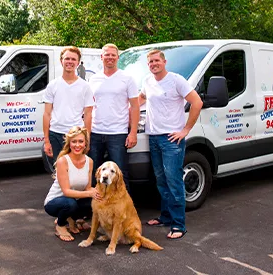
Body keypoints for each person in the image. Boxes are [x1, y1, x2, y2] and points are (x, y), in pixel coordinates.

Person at [139, 49, 203, 239]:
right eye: (150, 62)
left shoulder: (176, 80)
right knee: (161, 181)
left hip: (171, 139)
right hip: (154, 136)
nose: (153, 64)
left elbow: (197, 102)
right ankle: (165, 217)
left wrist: (185, 130)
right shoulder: (147, 81)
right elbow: (141, 98)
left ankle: (178, 225)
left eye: (156, 60)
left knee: (174, 181)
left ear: (164, 62)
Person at [88, 43, 140, 192]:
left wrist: (133, 132)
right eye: (107, 55)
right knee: (95, 174)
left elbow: (135, 106)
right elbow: (89, 107)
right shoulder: (94, 79)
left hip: (118, 133)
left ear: (117, 57)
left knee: (120, 174)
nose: (110, 58)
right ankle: (96, 209)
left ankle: (125, 212)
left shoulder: (127, 78)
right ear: (101, 57)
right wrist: (87, 132)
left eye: (113, 55)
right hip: (96, 132)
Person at [44, 126, 102, 242]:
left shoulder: (89, 161)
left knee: (98, 200)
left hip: (74, 200)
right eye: (74, 142)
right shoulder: (63, 161)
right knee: (70, 204)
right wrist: (90, 194)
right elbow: (66, 192)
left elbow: (87, 187)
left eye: (81, 141)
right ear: (69, 144)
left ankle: (74, 219)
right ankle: (60, 225)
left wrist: (99, 193)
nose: (77, 145)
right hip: (56, 201)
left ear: (85, 143)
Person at [43, 46, 94, 165]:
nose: (70, 62)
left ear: (77, 63)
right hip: (55, 134)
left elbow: (88, 114)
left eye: (73, 59)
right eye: (67, 59)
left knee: (76, 169)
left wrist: (87, 139)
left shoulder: (85, 86)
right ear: (61, 61)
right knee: (59, 171)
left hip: (76, 135)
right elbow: (47, 114)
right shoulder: (52, 85)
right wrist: (46, 140)